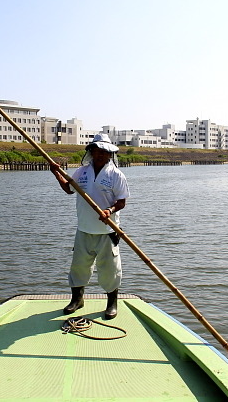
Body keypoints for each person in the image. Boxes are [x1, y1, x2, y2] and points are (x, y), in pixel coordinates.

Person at [50, 134, 130, 319]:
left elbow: (121, 202)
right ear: (91, 152)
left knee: (109, 269)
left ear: (109, 154)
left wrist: (109, 211)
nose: (100, 154)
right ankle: (77, 300)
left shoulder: (116, 175)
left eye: (104, 152)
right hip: (84, 229)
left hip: (107, 231)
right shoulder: (82, 171)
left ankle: (112, 303)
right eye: (97, 151)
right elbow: (69, 189)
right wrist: (56, 173)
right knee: (79, 267)